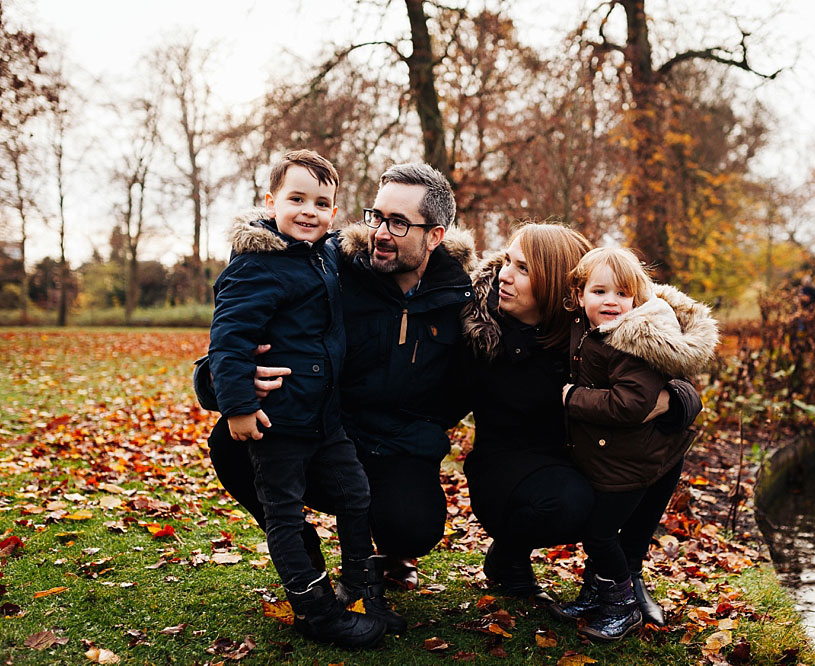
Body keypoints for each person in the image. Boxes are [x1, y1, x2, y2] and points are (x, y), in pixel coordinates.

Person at [200, 162, 475, 607]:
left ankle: (389, 549)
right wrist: (226, 384)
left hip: (399, 447)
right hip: (327, 430)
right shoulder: (331, 271)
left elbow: (475, 384)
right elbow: (232, 338)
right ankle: (299, 547)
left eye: (400, 223)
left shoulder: (461, 298)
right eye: (377, 216)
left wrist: (423, 437)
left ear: (436, 236)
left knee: (414, 527)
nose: (381, 233)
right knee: (231, 444)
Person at [460, 223, 706, 628]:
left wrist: (674, 401)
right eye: (507, 262)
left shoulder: (590, 327)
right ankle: (511, 552)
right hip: (510, 471)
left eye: (521, 268)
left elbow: (664, 372)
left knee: (664, 449)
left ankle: (624, 573)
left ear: (557, 283)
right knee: (572, 506)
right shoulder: (483, 332)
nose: (505, 275)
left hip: (578, 456)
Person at [207, 150, 387, 647]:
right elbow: (229, 340)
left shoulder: (326, 253)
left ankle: (360, 586)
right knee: (284, 515)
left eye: (322, 202)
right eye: (296, 199)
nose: (309, 211)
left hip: (326, 420)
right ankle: (317, 611)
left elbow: (357, 253)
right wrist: (238, 406)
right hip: (277, 421)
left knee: (357, 495)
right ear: (270, 202)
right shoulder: (256, 266)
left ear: (334, 210)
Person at [550, 247, 718, 641]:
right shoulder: (584, 327)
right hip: (610, 457)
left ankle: (622, 605)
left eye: (622, 293)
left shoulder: (632, 341)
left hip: (632, 464)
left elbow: (632, 404)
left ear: (637, 299)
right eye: (600, 292)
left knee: (601, 535)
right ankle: (595, 593)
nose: (611, 302)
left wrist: (572, 397)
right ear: (579, 295)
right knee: (599, 533)